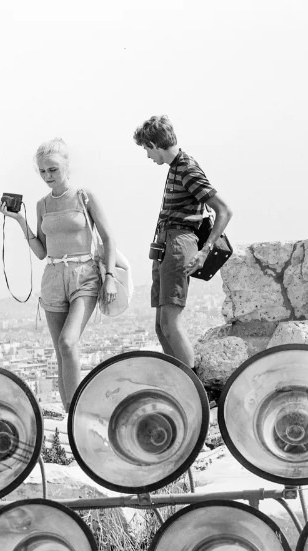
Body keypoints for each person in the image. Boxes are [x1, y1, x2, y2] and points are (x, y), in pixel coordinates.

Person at [0, 138, 120, 412]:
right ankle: (70, 414)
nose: (47, 176)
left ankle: (77, 409)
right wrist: (20, 222)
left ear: (67, 166)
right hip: (53, 277)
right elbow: (41, 251)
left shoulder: (83, 196)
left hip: (85, 275)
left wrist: (110, 276)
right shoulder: (42, 204)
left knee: (68, 342)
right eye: (42, 171)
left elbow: (109, 238)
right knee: (60, 353)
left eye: (52, 169)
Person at [134, 115, 232, 369]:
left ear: (155, 144)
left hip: (179, 243)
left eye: (146, 148)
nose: (147, 156)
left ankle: (195, 389)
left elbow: (223, 210)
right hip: (166, 244)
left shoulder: (186, 167)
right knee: (160, 326)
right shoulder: (175, 167)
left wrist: (204, 251)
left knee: (171, 323)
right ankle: (179, 384)